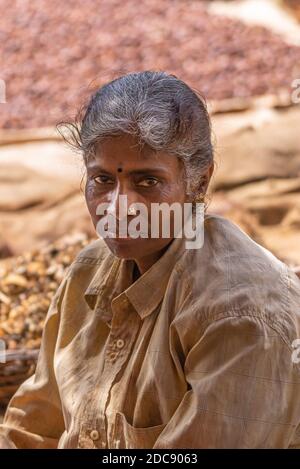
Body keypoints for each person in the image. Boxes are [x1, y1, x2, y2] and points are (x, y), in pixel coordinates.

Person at [1, 70, 300, 449]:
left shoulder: (240, 315)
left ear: (198, 182)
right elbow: (32, 428)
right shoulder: (86, 275)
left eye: (147, 182)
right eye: (103, 180)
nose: (119, 207)